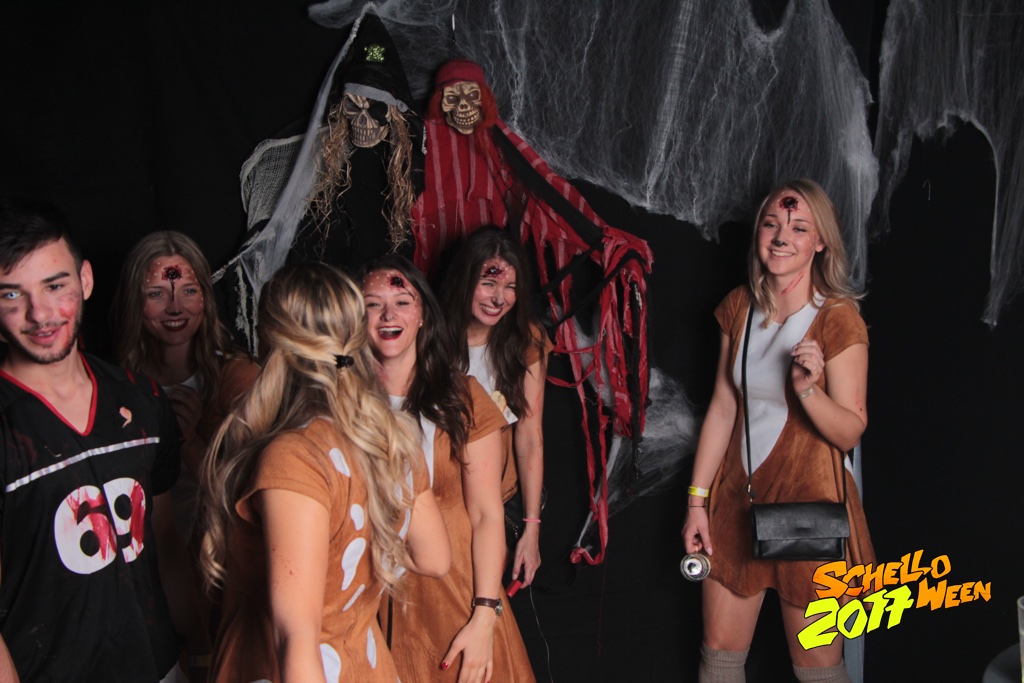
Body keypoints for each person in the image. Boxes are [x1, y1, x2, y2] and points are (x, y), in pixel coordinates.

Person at [200, 262, 450, 682]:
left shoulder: (295, 457)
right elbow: (435, 557)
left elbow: (296, 639)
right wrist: (350, 556)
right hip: (363, 667)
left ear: (270, 340)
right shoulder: (388, 438)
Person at [680, 179, 874, 683]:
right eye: (772, 224)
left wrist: (808, 390)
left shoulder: (837, 318)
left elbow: (850, 431)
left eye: (799, 228)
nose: (782, 237)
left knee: (817, 666)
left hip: (809, 509)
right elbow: (723, 408)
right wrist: (697, 501)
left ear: (821, 242)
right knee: (719, 656)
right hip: (737, 500)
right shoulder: (738, 307)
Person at [0, 197, 201, 681]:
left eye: (55, 286)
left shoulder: (141, 398)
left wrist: (205, 646)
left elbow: (164, 540)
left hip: (160, 668)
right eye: (10, 295)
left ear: (85, 280)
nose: (39, 314)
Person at [362, 256, 534, 683]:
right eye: (373, 304)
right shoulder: (342, 402)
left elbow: (487, 514)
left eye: (402, 302)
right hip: (369, 599)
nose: (388, 315)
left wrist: (485, 613)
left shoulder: (462, 396)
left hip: (456, 596)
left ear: (423, 314)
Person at [112, 230, 259, 542]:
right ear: (134, 300)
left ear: (206, 295)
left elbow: (250, 495)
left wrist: (189, 440)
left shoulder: (237, 377)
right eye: (156, 294)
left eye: (189, 291)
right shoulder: (112, 386)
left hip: (217, 552)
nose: (175, 307)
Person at [441, 227, 550, 587]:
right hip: (441, 501)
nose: (499, 298)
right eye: (488, 283)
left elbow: (530, 436)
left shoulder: (526, 340)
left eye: (510, 287)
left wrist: (532, 528)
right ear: (465, 279)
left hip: (500, 504)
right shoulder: (429, 336)